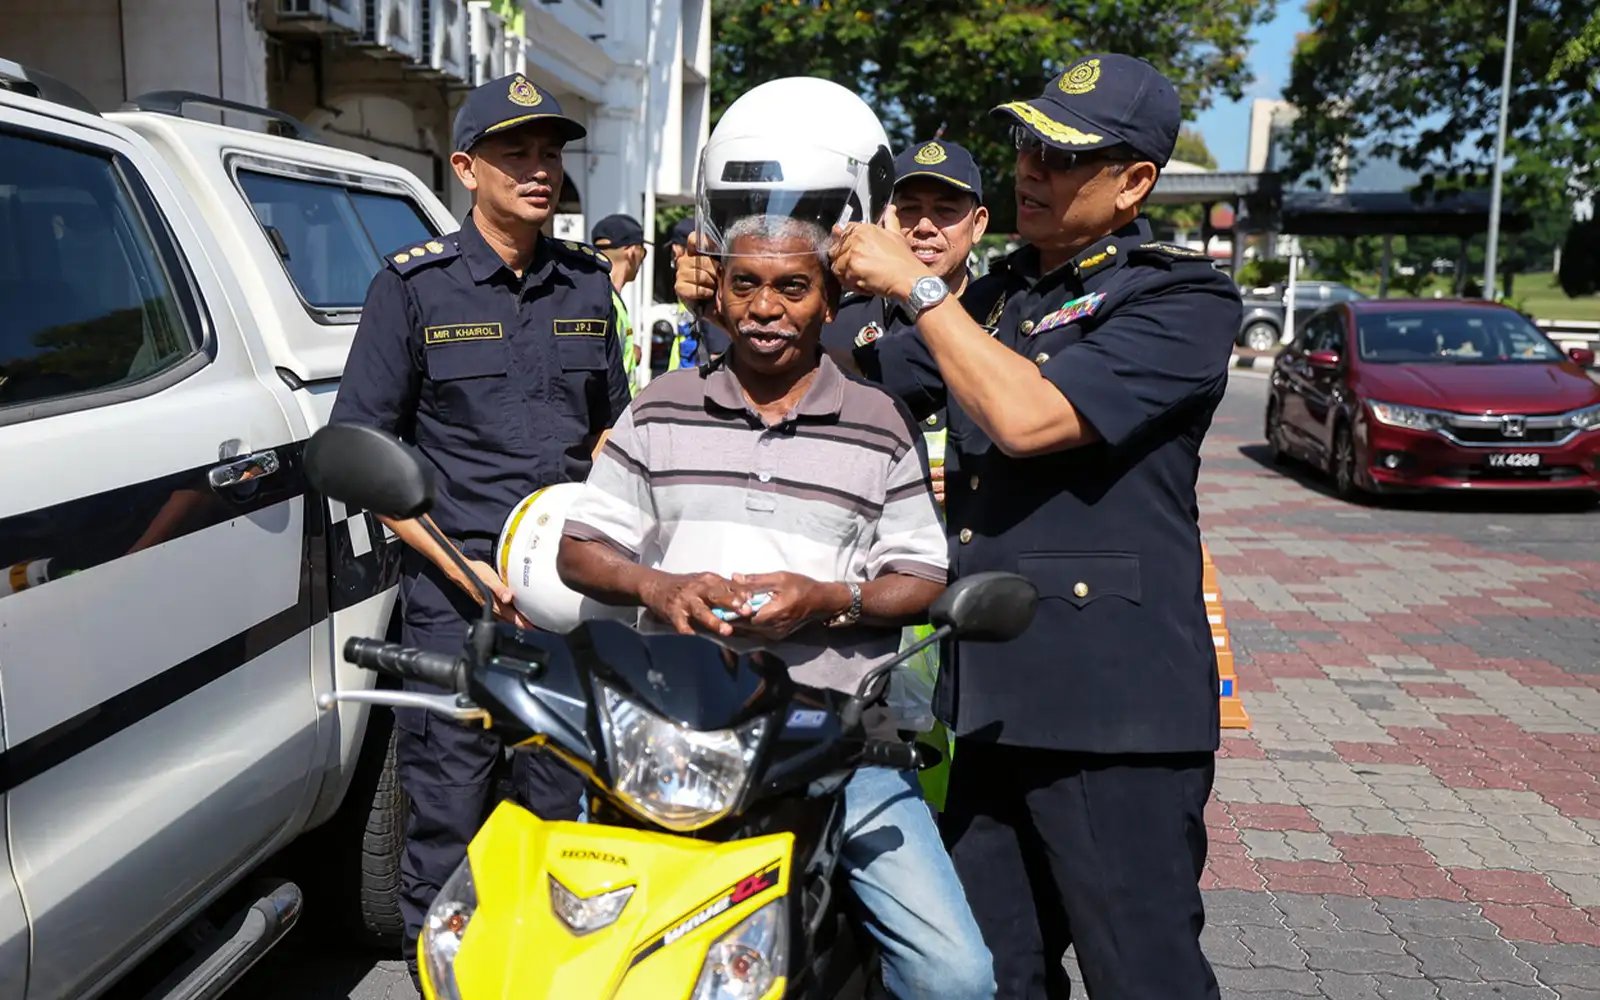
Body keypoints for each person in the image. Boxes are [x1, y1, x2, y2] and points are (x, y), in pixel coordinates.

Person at [677, 53, 1242, 1000]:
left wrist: (922, 289)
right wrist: (741, 294)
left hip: (1110, 714)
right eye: (1027, 143)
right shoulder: (1004, 296)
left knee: (1142, 974)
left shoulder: (1180, 298)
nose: (1031, 169)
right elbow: (854, 385)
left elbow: (1030, 420)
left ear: (1136, 181)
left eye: (1065, 157)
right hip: (987, 699)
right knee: (990, 976)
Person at [557, 215, 996, 1000]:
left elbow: (924, 574)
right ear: (719, 298)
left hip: (839, 739)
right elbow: (580, 549)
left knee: (955, 976)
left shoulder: (879, 421)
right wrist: (662, 587)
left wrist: (831, 600)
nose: (767, 307)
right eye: (746, 285)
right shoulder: (658, 409)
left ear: (829, 303)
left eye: (793, 287)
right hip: (676, 740)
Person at [329, 72, 630, 986]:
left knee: (558, 808)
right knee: (448, 816)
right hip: (454, 602)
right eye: (516, 153)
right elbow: (364, 452)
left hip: (569, 603)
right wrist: (462, 570)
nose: (541, 171)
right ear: (467, 167)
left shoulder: (584, 282)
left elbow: (614, 428)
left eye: (551, 153)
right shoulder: (414, 288)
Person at [591, 212, 649, 390]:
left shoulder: (593, 295)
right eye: (643, 252)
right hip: (616, 415)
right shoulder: (609, 302)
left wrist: (631, 352)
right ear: (632, 252)